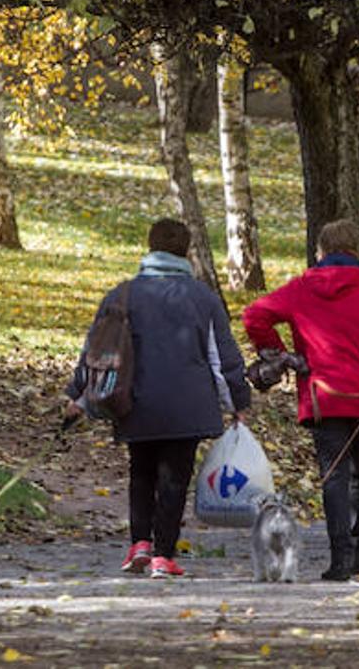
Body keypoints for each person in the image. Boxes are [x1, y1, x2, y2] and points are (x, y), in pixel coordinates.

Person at [65, 218, 251, 579]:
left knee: (141, 470)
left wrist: (78, 394)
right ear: (187, 252)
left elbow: (96, 351)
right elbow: (222, 357)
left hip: (133, 400)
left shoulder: (122, 294)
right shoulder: (204, 298)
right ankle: (164, 555)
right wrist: (238, 402)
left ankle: (139, 544)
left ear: (149, 247)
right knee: (175, 478)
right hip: (188, 404)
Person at [243, 218, 359, 581]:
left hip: (324, 397)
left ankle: (340, 559)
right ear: (357, 251)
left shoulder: (303, 287)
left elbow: (254, 315)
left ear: (321, 251)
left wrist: (280, 354)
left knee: (333, 475)